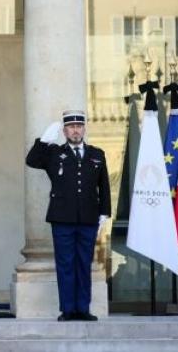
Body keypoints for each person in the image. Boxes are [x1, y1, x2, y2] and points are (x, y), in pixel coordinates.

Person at [26, 110, 111, 322]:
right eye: (71, 127)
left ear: (84, 129)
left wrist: (104, 212)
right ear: (64, 131)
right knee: (65, 265)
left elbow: (104, 187)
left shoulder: (96, 154)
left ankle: (83, 309)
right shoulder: (54, 153)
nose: (75, 130)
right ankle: (68, 309)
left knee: (84, 264)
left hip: (89, 219)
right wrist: (43, 141)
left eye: (79, 126)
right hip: (62, 219)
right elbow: (32, 160)